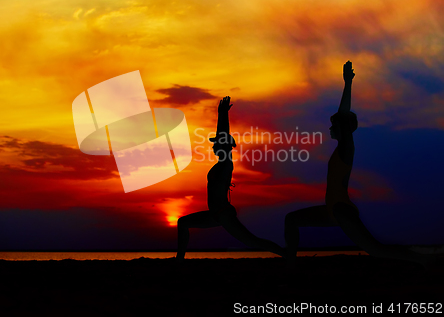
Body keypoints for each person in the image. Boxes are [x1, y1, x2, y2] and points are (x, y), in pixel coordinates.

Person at [284, 61, 430, 267]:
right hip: (332, 209)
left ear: (343, 129)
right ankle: (290, 263)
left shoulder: (346, 147)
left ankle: (423, 260)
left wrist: (348, 83)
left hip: (342, 209)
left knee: (375, 250)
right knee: (291, 219)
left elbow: (343, 114)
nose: (329, 128)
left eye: (333, 125)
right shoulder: (339, 150)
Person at [176, 96, 285, 260]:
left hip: (223, 213)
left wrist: (222, 113)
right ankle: (179, 259)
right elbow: (222, 137)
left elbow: (223, 133)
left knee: (252, 241)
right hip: (215, 214)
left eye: (216, 144)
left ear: (224, 146)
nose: (213, 147)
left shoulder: (226, 162)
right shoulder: (220, 164)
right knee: (183, 222)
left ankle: (287, 255)